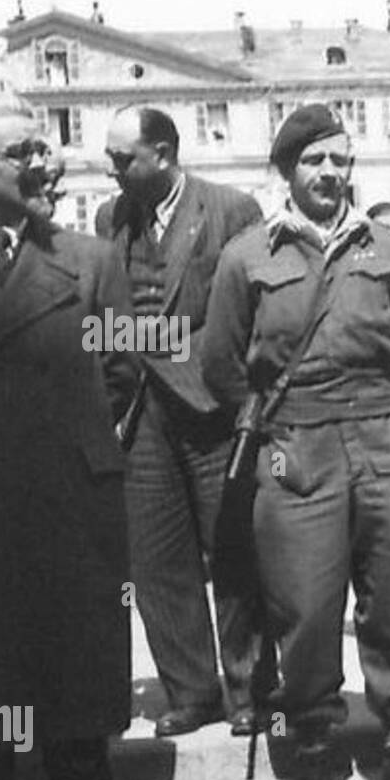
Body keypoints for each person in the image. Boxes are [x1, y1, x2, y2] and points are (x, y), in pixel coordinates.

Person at [201, 104, 390, 780]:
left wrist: (375, 405)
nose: (330, 173)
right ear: (289, 169)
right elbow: (221, 363)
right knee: (306, 606)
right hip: (299, 446)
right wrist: (285, 423)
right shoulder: (247, 255)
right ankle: (313, 752)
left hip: (386, 434)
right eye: (315, 160)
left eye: (341, 160)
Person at [0, 94, 153, 780]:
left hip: (70, 497)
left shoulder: (91, 259)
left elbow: (126, 368)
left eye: (48, 149)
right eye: (24, 151)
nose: (48, 163)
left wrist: (76, 445)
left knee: (76, 667)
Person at [98, 106, 269, 739]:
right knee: (155, 557)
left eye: (123, 158)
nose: (111, 169)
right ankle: (192, 691)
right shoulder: (109, 218)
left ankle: (250, 690)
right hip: (142, 412)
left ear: (164, 153)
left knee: (233, 550)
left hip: (212, 408)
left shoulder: (231, 210)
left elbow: (250, 313)